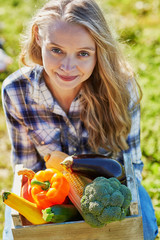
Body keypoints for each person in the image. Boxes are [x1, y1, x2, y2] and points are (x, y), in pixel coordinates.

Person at [2, 0, 158, 239]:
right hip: (52, 198)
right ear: (38, 37)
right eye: (56, 50)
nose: (67, 66)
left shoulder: (122, 89)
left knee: (143, 230)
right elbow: (27, 167)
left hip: (108, 194)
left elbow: (131, 166)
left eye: (83, 53)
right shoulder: (16, 90)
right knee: (13, 233)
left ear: (99, 51)